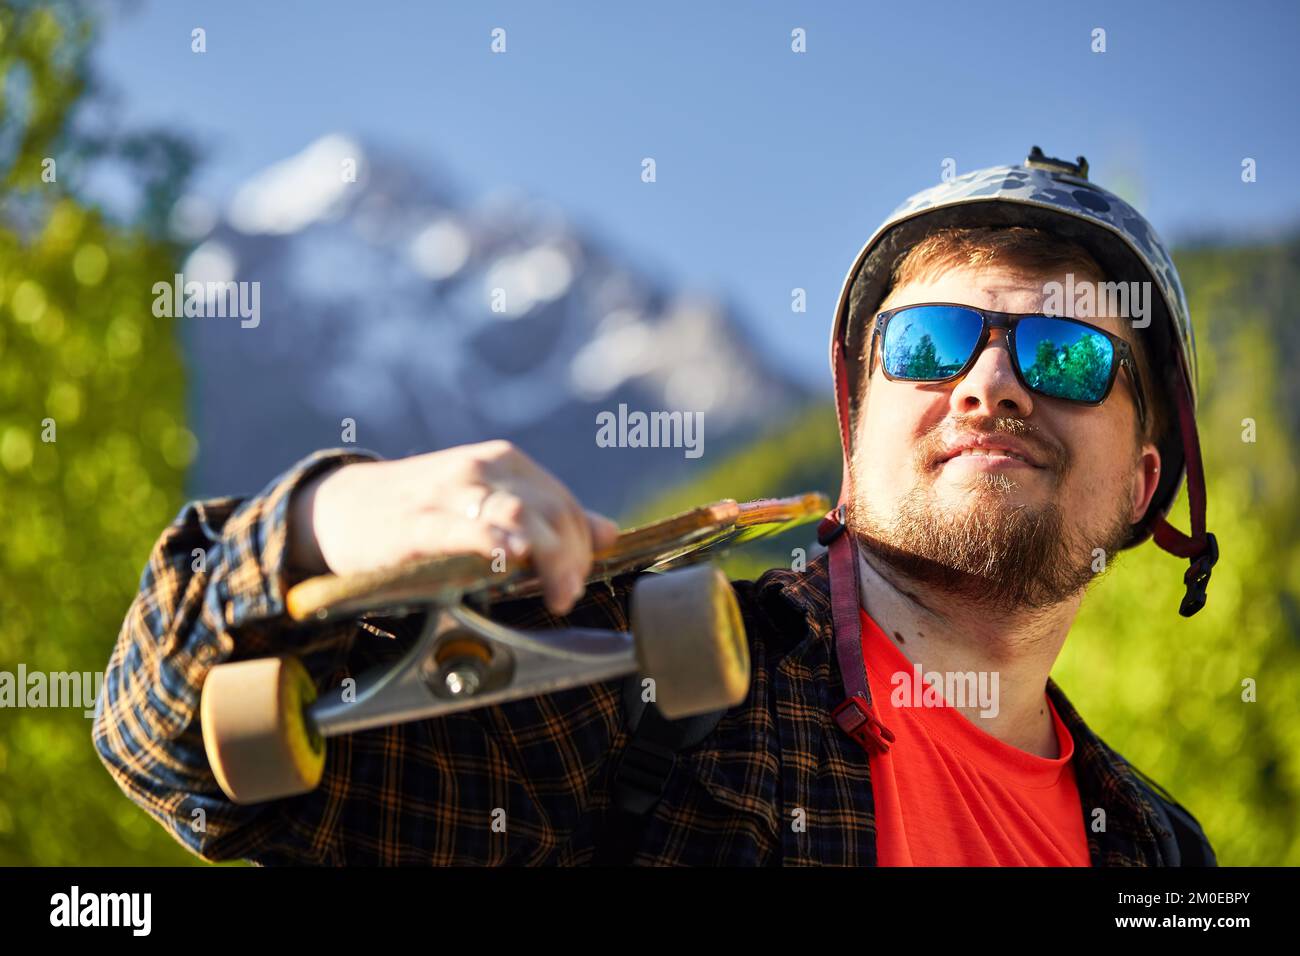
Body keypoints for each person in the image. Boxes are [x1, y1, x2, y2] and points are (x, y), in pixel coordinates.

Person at [94, 147, 1218, 865]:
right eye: (925, 346)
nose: (987, 383)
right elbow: (172, 751)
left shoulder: (1167, 858)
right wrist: (326, 523)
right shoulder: (637, 677)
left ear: (1141, 486)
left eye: (1066, 356)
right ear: (855, 428)